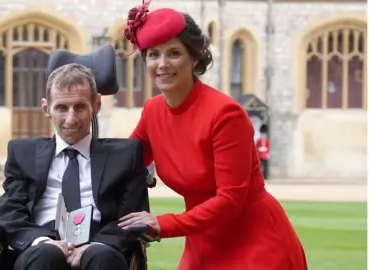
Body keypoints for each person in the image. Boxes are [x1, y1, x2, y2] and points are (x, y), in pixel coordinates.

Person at [117, 1, 308, 269]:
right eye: (153, 54)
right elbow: (123, 161)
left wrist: (163, 223)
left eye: (174, 53)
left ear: (194, 58)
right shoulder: (153, 110)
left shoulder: (225, 113)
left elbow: (230, 199)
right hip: (202, 244)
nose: (162, 64)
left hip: (255, 244)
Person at [0, 63, 149, 270]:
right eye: (61, 108)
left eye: (80, 107)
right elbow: (10, 214)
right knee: (45, 255)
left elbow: (132, 218)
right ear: (46, 108)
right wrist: (43, 241)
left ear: (96, 105)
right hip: (41, 243)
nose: (71, 119)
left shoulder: (126, 155)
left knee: (102, 256)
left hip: (102, 243)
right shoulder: (22, 153)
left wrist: (97, 244)